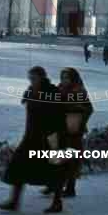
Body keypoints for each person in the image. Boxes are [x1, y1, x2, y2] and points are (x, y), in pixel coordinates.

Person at [0, 66, 66, 214]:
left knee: (53, 170)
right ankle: (14, 201)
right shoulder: (31, 91)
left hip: (48, 137)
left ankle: (57, 202)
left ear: (41, 77)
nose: (31, 81)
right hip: (31, 136)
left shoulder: (52, 92)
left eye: (34, 78)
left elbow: (59, 115)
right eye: (30, 78)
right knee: (18, 166)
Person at [42, 67, 94, 198]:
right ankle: (52, 183)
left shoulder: (79, 91)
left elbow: (89, 109)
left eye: (67, 78)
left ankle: (70, 188)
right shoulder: (60, 89)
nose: (64, 80)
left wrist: (79, 119)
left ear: (73, 78)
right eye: (62, 77)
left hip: (73, 130)